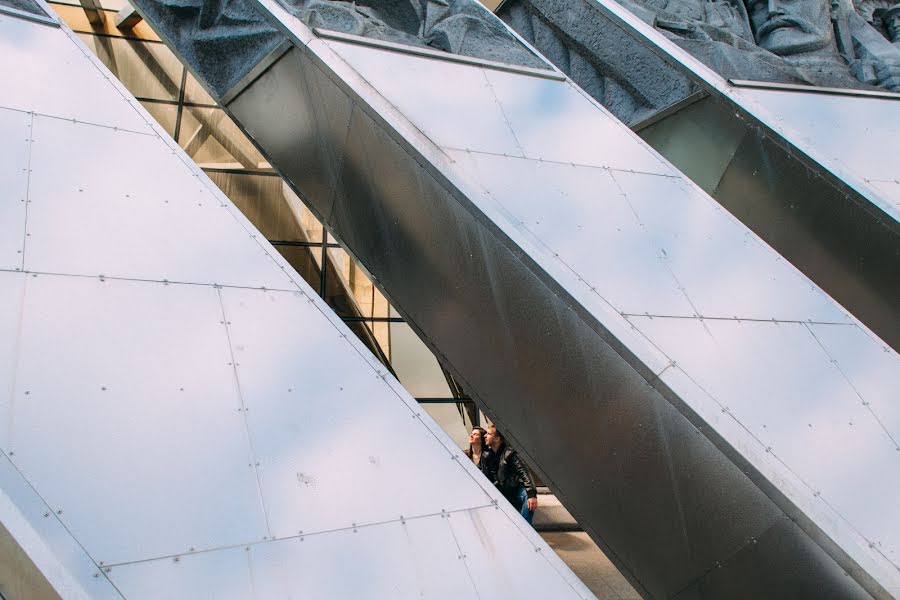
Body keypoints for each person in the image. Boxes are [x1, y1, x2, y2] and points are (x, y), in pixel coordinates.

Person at [484, 425, 538, 524]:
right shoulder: (488, 456)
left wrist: (531, 494)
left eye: (488, 434)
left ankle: (525, 531)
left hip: (515, 490)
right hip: (501, 493)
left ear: (497, 439)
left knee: (528, 498)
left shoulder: (509, 453)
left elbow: (523, 471)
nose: (485, 436)